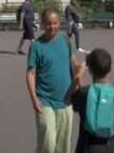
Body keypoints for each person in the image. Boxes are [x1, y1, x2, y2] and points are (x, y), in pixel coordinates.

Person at [26, 9, 82, 153]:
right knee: (48, 143)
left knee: (63, 146)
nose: (52, 27)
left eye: (55, 23)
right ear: (43, 24)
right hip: (44, 100)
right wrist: (34, 100)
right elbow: (31, 74)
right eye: (49, 24)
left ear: (60, 23)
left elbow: (74, 63)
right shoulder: (36, 47)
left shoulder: (66, 42)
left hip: (65, 99)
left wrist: (79, 75)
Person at [67, 48, 114, 153]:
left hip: (88, 146)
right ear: (109, 69)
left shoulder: (84, 93)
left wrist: (78, 76)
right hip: (112, 146)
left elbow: (68, 99)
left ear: (90, 69)